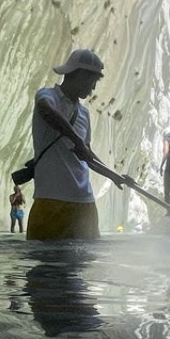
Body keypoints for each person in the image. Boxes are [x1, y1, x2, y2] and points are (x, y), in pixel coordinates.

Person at [27, 49, 129, 240]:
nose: (93, 89)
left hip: (84, 204)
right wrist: (76, 140)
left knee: (84, 266)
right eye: (93, 82)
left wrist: (114, 176)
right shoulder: (48, 96)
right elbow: (46, 111)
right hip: (51, 201)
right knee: (46, 266)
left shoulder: (84, 114)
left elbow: (87, 154)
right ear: (81, 75)